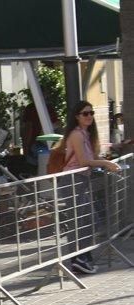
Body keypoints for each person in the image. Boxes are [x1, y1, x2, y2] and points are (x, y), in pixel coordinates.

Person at [57, 100, 121, 275]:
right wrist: (105, 163)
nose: (89, 116)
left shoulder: (86, 134)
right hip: (71, 180)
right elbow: (84, 161)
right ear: (77, 117)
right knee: (78, 221)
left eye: (91, 113)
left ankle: (83, 258)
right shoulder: (76, 134)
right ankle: (77, 259)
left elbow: (89, 158)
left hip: (81, 180)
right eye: (85, 113)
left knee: (87, 220)